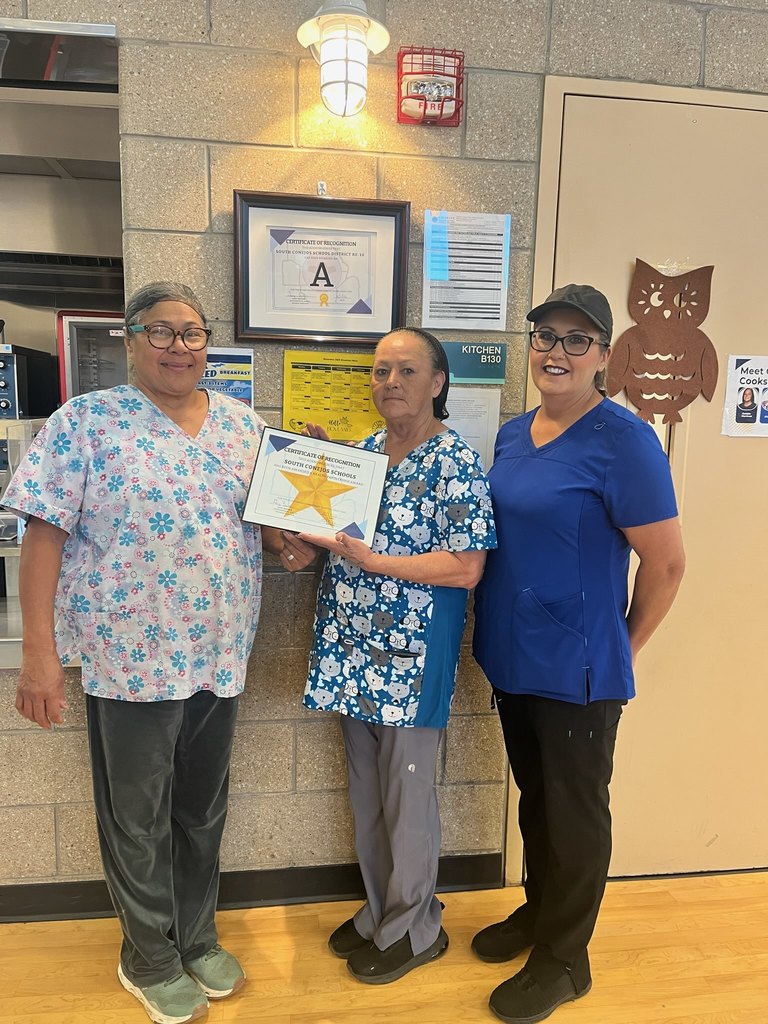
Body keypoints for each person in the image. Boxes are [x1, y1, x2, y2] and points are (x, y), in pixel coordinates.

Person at [4, 282, 309, 1024]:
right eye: (164, 332)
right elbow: (41, 539)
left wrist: (290, 539)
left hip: (218, 652)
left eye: (194, 332)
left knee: (201, 809)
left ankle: (195, 937)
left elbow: (265, 523)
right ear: (132, 339)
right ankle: (147, 954)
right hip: (129, 655)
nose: (181, 346)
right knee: (137, 815)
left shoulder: (243, 427)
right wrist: (38, 656)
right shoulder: (87, 422)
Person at [471, 284, 686, 1024]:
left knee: (576, 813)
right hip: (513, 654)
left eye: (576, 341)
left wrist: (619, 650)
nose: (556, 352)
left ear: (603, 357)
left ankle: (567, 960)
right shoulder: (510, 433)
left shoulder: (623, 442)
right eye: (545, 337)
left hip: (580, 668)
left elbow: (666, 564)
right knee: (539, 802)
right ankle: (540, 914)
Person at [290, 327, 496, 985]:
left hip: (411, 659)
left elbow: (466, 567)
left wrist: (380, 563)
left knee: (407, 798)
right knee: (368, 793)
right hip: (352, 652)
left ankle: (415, 930)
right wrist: (312, 463)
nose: (391, 383)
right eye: (381, 371)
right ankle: (383, 911)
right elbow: (330, 519)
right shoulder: (368, 452)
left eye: (407, 371)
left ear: (437, 383)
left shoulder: (454, 463)